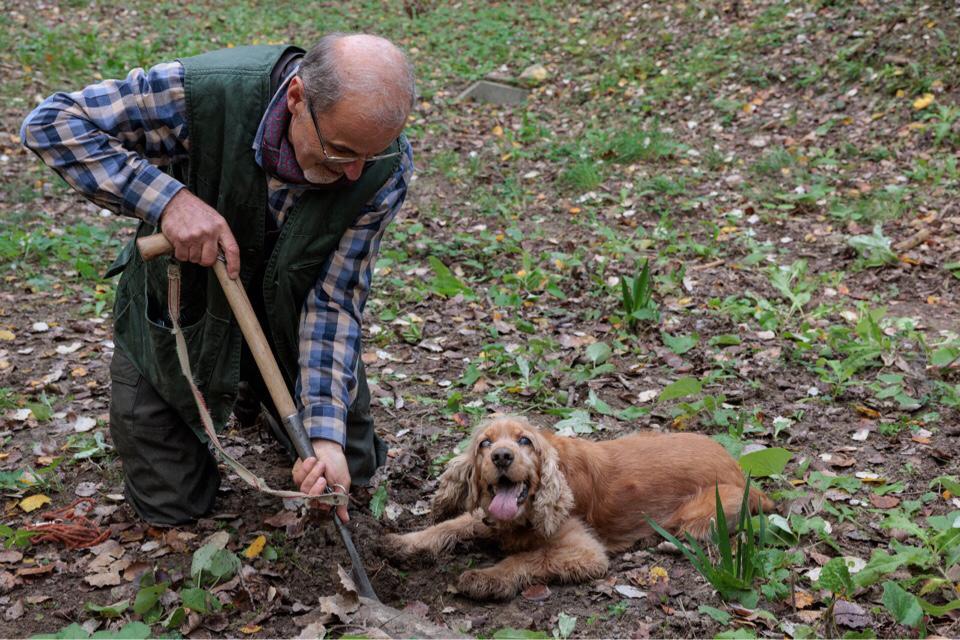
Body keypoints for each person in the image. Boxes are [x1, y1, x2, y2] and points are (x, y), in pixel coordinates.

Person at [20, 33, 415, 526]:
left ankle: (266, 400)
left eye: (369, 156)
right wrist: (169, 202)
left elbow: (335, 301)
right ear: (296, 98)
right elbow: (51, 123)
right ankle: (227, 398)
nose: (354, 173)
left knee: (348, 467)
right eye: (340, 150)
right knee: (172, 505)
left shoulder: (383, 169)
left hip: (285, 320)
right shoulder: (201, 94)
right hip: (183, 321)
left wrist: (326, 435)